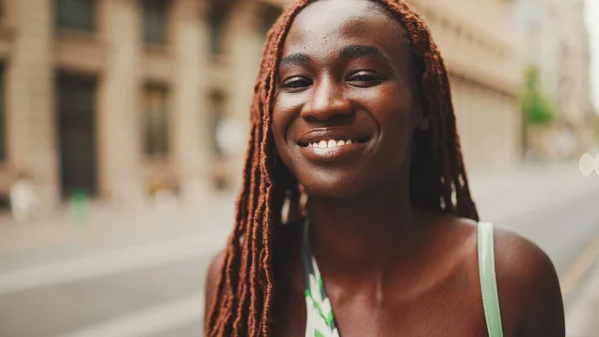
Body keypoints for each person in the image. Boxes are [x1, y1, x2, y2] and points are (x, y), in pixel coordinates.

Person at [204, 0, 565, 336]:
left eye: (362, 76)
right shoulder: (242, 282)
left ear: (422, 106)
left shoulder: (510, 279)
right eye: (297, 82)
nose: (323, 105)